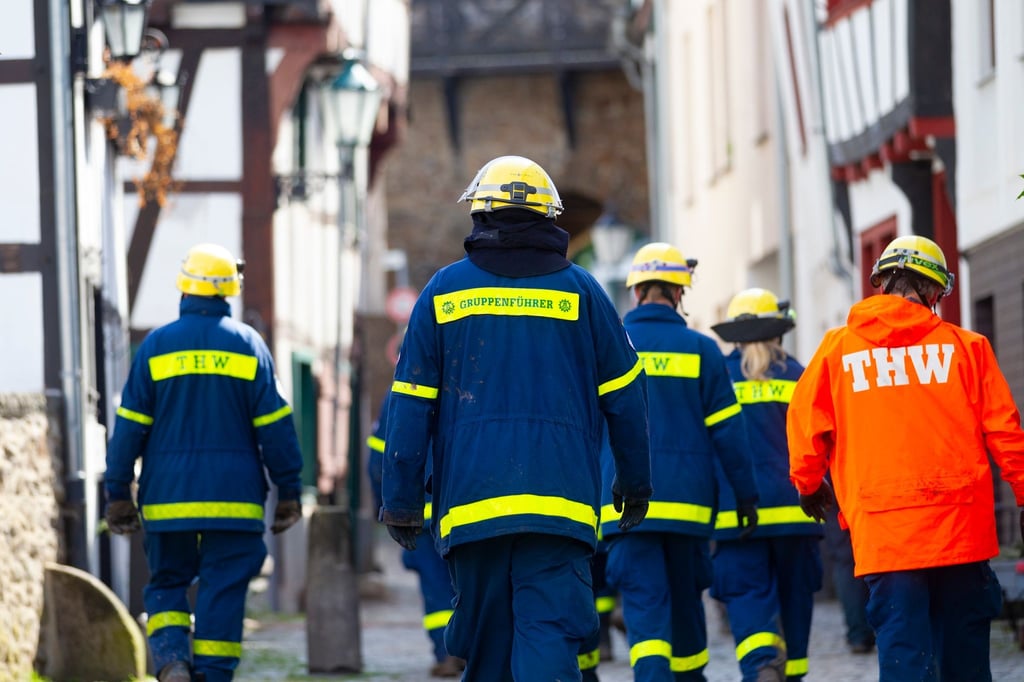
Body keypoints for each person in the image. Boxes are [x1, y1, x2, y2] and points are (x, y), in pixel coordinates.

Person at [380, 155, 652, 681]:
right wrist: (635, 484)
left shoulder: (444, 292)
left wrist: (401, 502)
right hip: (560, 507)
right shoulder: (584, 293)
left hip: (471, 508)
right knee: (548, 637)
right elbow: (626, 398)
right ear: (551, 221)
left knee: (485, 649)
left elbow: (410, 404)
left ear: (479, 215)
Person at [787, 235, 1024, 681]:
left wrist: (808, 482)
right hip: (960, 533)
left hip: (885, 535)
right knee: (965, 660)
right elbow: (1006, 431)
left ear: (880, 285)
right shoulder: (966, 349)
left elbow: (804, 424)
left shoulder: (837, 351)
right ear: (935, 292)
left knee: (903, 658)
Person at [103, 243, 304, 682]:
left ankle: (173, 661)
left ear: (185, 285)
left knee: (167, 583)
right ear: (230, 288)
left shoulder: (156, 346)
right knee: (224, 588)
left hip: (168, 498)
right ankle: (212, 675)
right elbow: (276, 426)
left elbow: (130, 426)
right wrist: (289, 489)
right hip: (235, 501)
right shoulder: (249, 346)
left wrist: (117, 490)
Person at [598, 242, 759, 681]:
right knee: (687, 605)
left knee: (644, 609)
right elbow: (729, 433)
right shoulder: (702, 351)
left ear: (635, 293)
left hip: (624, 508)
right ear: (679, 294)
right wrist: (745, 497)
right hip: (688, 509)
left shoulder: (609, 347)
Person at [709, 288, 823, 682]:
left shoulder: (718, 376)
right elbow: (821, 440)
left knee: (745, 594)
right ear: (778, 330)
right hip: (798, 511)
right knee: (796, 596)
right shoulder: (799, 375)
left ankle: (760, 665)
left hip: (737, 514)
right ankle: (792, 674)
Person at [367, 392, 464, 678]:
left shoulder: (400, 395)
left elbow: (378, 459)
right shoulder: (466, 385)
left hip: (420, 514)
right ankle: (473, 647)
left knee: (436, 588)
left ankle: (446, 652)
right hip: (463, 509)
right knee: (470, 581)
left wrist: (385, 506)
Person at [821, 481, 873, 654]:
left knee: (845, 559)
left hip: (835, 480)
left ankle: (859, 634)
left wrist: (809, 485)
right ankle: (892, 627)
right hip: (876, 477)